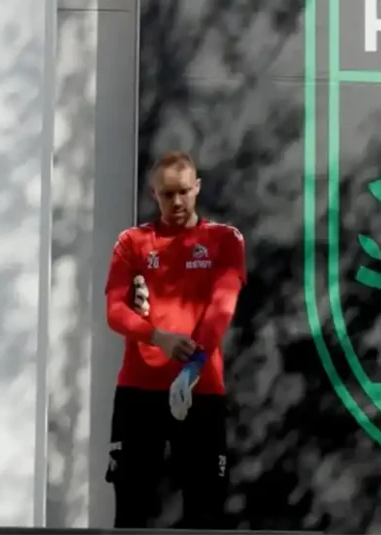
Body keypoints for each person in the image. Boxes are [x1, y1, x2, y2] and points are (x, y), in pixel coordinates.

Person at [103, 150, 246, 529]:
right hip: (138, 392)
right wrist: (157, 337)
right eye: (167, 194)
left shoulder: (225, 240)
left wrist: (194, 364)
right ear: (154, 193)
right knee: (131, 508)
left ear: (197, 188)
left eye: (184, 191)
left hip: (200, 390)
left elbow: (222, 308)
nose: (177, 201)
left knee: (206, 509)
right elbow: (115, 311)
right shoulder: (132, 242)